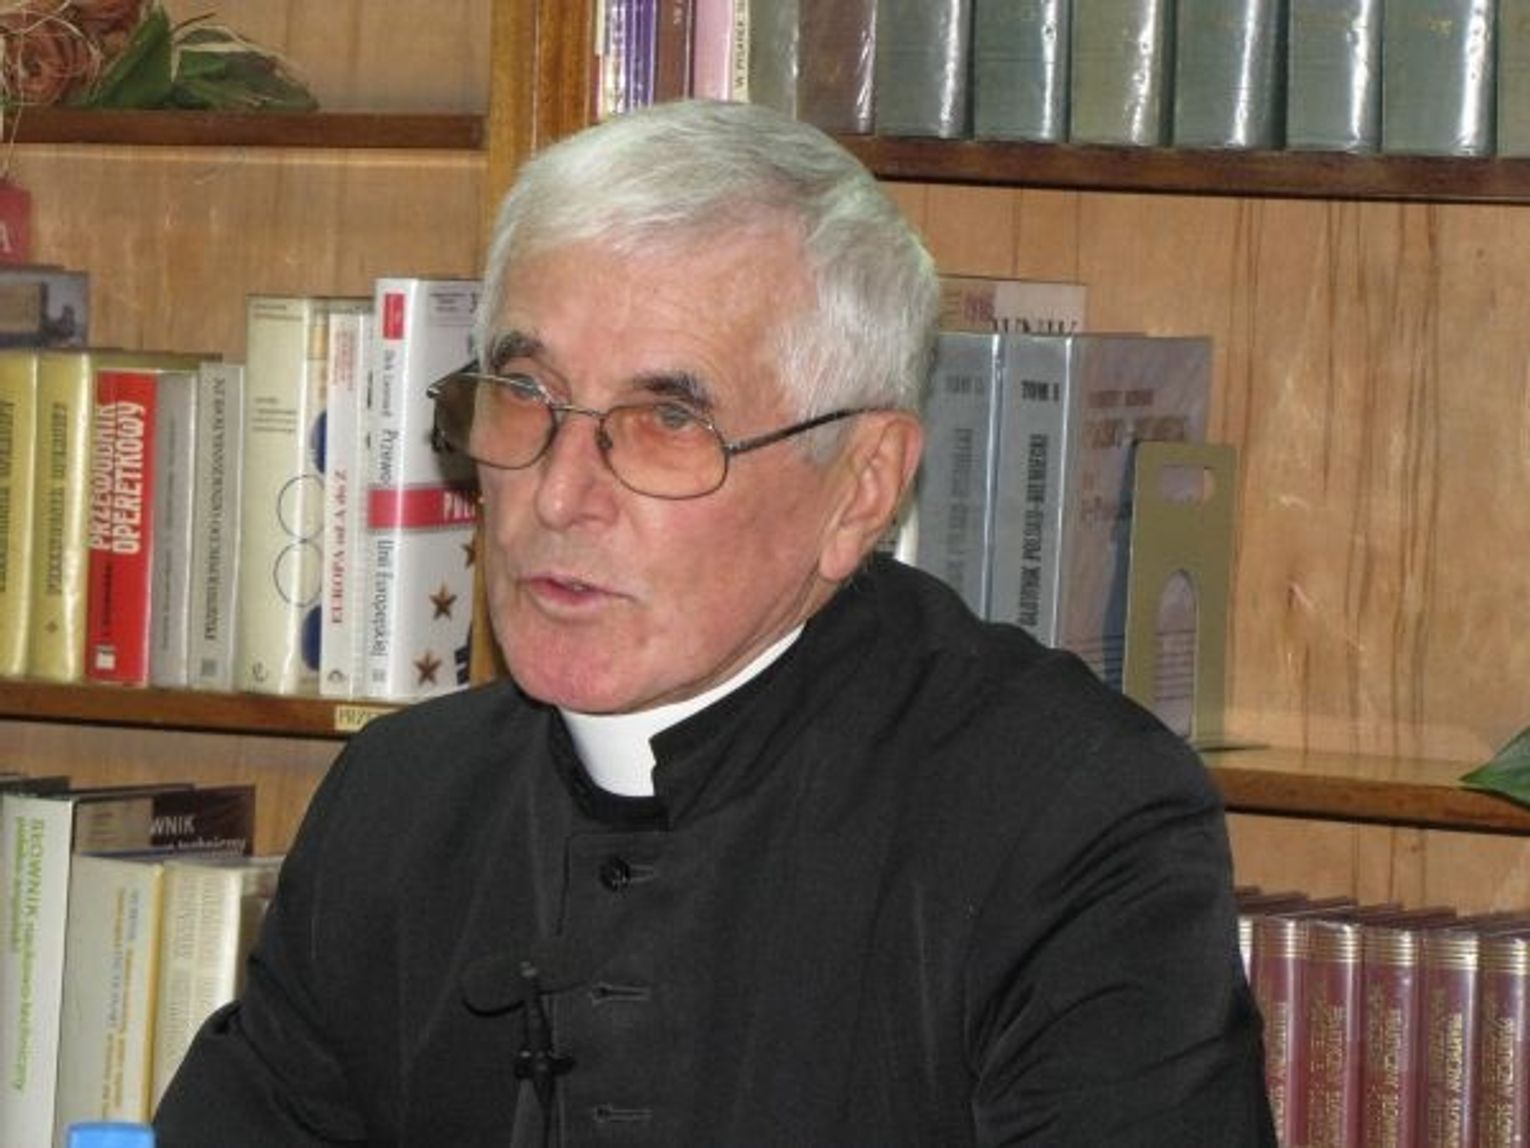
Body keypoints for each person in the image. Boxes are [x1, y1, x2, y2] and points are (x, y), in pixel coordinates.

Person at [155, 98, 1275, 1146]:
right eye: (527, 396)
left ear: (862, 488)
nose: (559, 495)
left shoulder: (1067, 819)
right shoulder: (401, 800)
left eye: (667, 419)